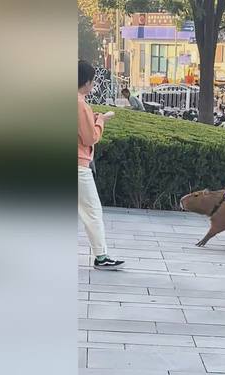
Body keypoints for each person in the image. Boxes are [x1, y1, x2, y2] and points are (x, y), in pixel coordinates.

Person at [78, 60, 125, 269]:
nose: (93, 85)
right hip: (79, 167)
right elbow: (90, 138)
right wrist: (101, 121)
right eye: (92, 81)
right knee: (92, 211)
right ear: (86, 81)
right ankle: (101, 257)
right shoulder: (80, 104)